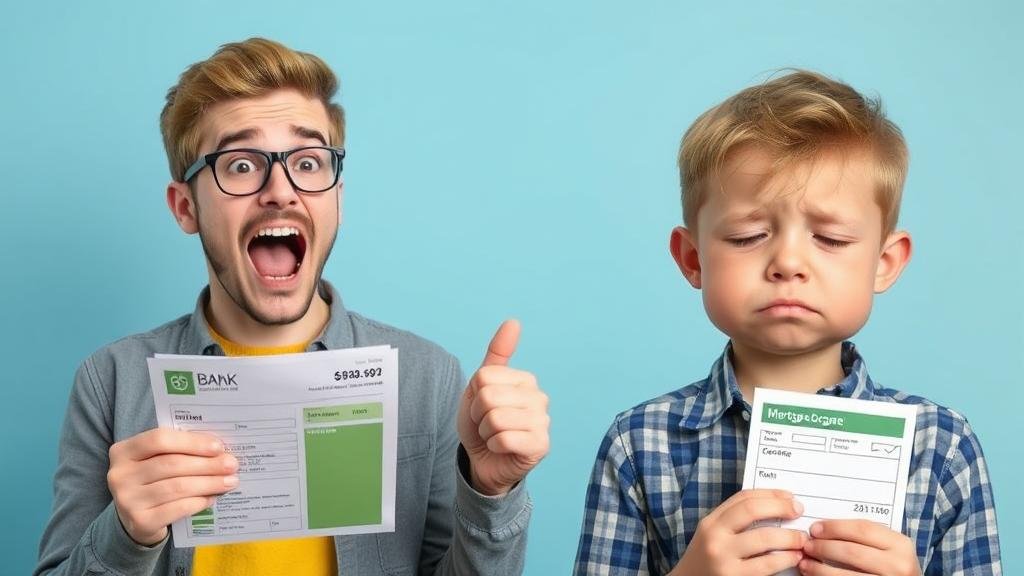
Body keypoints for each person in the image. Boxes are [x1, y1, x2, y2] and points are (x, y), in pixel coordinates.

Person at [36, 37, 550, 576]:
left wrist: (492, 491)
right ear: (185, 206)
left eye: (307, 161)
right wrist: (126, 534)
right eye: (239, 165)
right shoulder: (111, 382)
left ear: (337, 199)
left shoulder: (427, 377)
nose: (280, 191)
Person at [574, 70, 1001, 575]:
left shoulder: (943, 447)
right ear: (692, 258)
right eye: (747, 235)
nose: (788, 262)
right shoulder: (640, 444)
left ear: (884, 262)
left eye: (832, 239)